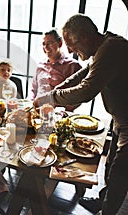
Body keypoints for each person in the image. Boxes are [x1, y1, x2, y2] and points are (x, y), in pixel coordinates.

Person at [33, 14, 128, 215]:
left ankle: (108, 212)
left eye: (71, 44)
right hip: (120, 118)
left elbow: (86, 89)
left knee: (121, 171)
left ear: (84, 37)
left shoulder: (111, 49)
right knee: (111, 164)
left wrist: (49, 98)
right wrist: (57, 90)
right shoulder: (105, 46)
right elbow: (83, 74)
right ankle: (104, 202)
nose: (68, 50)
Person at [31, 29, 82, 111]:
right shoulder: (40, 66)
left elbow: (79, 95)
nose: (46, 47)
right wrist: (31, 105)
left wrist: (65, 110)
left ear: (60, 43)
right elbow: (33, 90)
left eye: (49, 43)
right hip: (37, 111)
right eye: (44, 44)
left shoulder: (73, 66)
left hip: (59, 114)